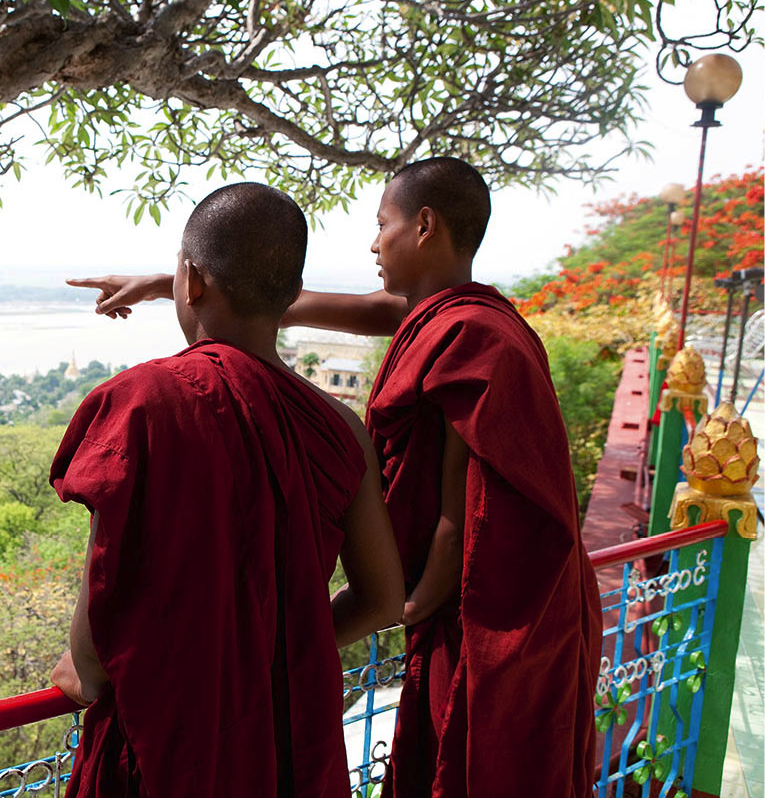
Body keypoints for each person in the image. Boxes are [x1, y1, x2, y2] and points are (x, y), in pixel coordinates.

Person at [69, 158, 602, 798]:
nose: (373, 242)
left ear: (426, 224)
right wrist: (180, 283)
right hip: (304, 710)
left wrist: (425, 592)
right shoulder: (348, 413)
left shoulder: (474, 333)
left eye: (383, 224)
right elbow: (360, 309)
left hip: (480, 619)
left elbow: (465, 513)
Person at [48, 182, 404, 798]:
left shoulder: (143, 402)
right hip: (290, 739)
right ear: (292, 295)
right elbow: (381, 598)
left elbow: (98, 624)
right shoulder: (340, 426)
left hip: (167, 740)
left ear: (190, 280)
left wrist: (83, 663)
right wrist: (271, 642)